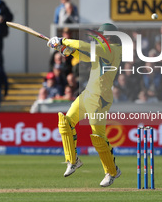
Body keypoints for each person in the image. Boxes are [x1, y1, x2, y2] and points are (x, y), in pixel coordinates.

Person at [47, 23, 122, 187]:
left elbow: (85, 46)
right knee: (65, 121)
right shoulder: (104, 50)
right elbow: (86, 55)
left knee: (98, 137)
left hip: (100, 99)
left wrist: (63, 40)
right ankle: (73, 161)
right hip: (88, 94)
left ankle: (112, 171)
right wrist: (69, 51)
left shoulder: (113, 49)